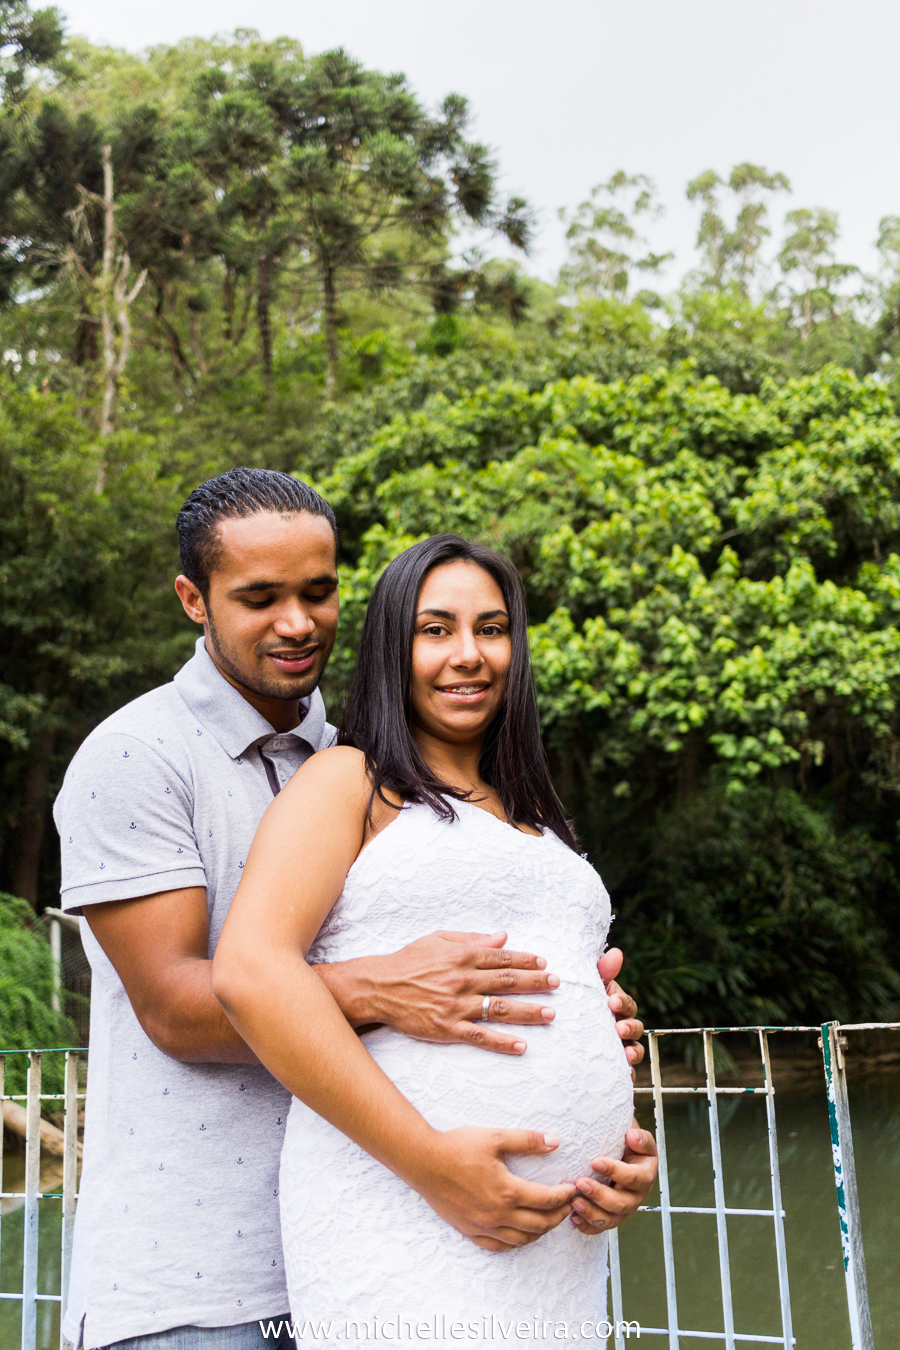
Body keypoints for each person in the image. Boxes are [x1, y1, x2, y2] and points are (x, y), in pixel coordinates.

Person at [53, 471, 656, 1350]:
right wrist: (382, 990)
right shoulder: (138, 756)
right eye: (260, 598)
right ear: (193, 598)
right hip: (199, 1278)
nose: (298, 622)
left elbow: (460, 969)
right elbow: (180, 1009)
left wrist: (582, 1027)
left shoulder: (368, 758)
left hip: (405, 1234)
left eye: (319, 591)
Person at [213, 533, 647, 1344]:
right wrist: (433, 1167)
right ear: (391, 648)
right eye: (435, 629)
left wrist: (619, 1160)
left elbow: (567, 1003)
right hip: (404, 1208)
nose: (468, 655)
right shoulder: (351, 781)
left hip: (559, 1245)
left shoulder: (539, 815)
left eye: (491, 628)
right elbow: (249, 972)